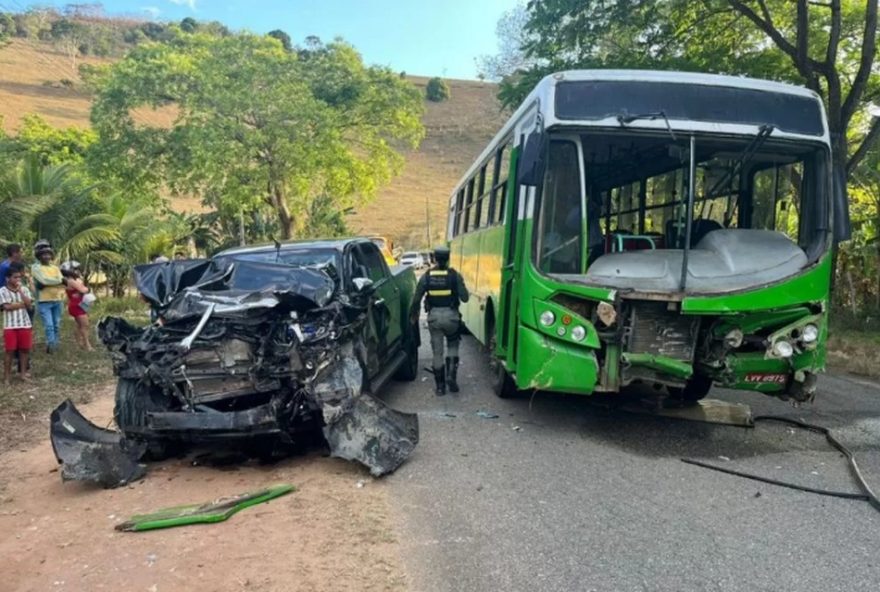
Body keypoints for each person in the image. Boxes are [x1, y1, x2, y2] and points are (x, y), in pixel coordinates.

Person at [410, 246, 469, 395]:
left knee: (437, 352)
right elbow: (465, 298)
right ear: (448, 258)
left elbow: (416, 298)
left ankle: (440, 387)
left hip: (434, 318)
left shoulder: (427, 276)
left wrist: (413, 314)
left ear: (434, 258)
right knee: (453, 347)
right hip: (452, 317)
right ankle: (451, 375)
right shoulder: (454, 275)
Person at [1, 262, 34, 385]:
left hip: (25, 324)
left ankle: (23, 374)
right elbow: (7, 307)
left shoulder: (24, 289)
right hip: (10, 325)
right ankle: (7, 377)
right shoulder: (3, 291)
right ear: (8, 278)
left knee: (25, 350)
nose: (18, 280)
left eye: (19, 277)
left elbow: (29, 305)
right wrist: (22, 304)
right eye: (15, 277)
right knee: (9, 351)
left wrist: (20, 292)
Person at [31, 241, 66, 353]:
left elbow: (63, 282)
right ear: (39, 256)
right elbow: (43, 280)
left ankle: (54, 345)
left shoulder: (55, 268)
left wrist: (53, 282)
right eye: (43, 254)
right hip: (44, 301)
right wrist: (59, 281)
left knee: (56, 324)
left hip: (57, 299)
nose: (46, 256)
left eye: (48, 254)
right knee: (49, 325)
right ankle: (51, 346)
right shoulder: (36, 267)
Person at [61, 261, 94, 351]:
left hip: (78, 305)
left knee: (80, 325)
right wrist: (85, 289)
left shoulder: (73, 280)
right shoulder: (71, 281)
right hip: (76, 306)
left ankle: (79, 343)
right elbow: (84, 290)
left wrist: (84, 289)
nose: (78, 271)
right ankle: (87, 345)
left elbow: (83, 289)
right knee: (84, 325)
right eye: (75, 270)